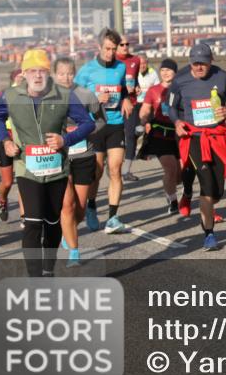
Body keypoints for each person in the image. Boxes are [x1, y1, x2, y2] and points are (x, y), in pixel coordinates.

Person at [0, 49, 95, 277]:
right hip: (27, 169)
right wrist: (6, 141)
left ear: (48, 74)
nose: (37, 76)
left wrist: (64, 139)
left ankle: (48, 269)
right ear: (24, 73)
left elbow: (88, 124)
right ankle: (35, 277)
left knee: (52, 221)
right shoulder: (11, 96)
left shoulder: (65, 95)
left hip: (56, 169)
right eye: (32, 71)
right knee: (33, 222)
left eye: (42, 71)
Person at [169, 43, 226, 251]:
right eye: (195, 63)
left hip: (216, 137)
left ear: (211, 61)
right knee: (207, 187)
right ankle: (209, 233)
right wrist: (177, 123)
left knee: (217, 191)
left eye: (203, 63)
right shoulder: (180, 80)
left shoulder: (222, 76)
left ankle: (193, 193)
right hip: (193, 137)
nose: (199, 67)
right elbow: (171, 107)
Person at [74, 28, 134, 234]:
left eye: (113, 49)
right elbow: (74, 96)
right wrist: (94, 99)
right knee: (97, 172)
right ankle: (91, 206)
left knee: (116, 168)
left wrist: (125, 99)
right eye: (107, 49)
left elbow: (123, 89)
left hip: (115, 123)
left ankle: (113, 217)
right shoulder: (87, 70)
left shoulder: (120, 68)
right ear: (99, 47)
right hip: (95, 125)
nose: (110, 53)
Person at [54, 57, 103, 267]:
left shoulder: (85, 94)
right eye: (62, 73)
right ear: (55, 75)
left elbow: (101, 121)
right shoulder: (49, 97)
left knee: (80, 209)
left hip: (84, 154)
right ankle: (74, 252)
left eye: (70, 73)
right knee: (67, 205)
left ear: (75, 73)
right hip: (61, 157)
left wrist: (85, 132)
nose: (66, 77)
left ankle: (69, 231)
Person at [138, 58, 181, 214]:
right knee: (170, 168)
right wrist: (143, 120)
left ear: (175, 72)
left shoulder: (181, 89)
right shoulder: (153, 90)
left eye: (169, 70)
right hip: (159, 134)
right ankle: (173, 201)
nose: (165, 72)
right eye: (163, 70)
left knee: (179, 175)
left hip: (178, 134)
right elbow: (145, 109)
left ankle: (170, 190)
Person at [0, 69, 23, 224]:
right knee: (8, 182)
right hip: (4, 139)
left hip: (23, 139)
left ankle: (25, 217)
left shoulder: (32, 94)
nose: (22, 79)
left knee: (24, 178)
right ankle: (2, 201)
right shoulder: (5, 94)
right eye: (19, 77)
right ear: (13, 79)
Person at [119, 44, 146, 182]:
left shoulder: (135, 60)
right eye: (121, 44)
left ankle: (126, 170)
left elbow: (135, 81)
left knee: (133, 135)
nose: (125, 46)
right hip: (116, 105)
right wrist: (123, 89)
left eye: (127, 44)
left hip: (132, 103)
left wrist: (137, 88)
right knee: (120, 136)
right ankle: (115, 166)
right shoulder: (111, 61)